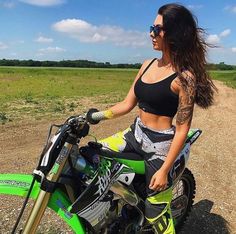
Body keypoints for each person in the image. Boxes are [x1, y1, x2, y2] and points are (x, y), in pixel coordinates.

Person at [88, 3, 217, 234]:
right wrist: (94, 116)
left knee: (155, 213)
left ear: (174, 33)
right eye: (152, 27)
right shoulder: (147, 65)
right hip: (134, 134)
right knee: (91, 158)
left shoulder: (184, 77)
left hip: (160, 147)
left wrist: (165, 170)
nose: (151, 33)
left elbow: (182, 128)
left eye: (157, 29)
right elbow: (127, 105)